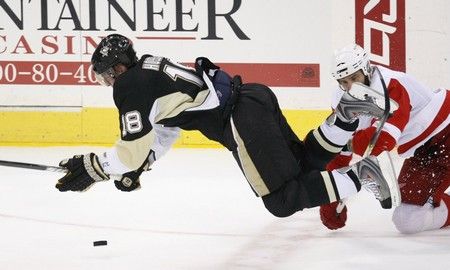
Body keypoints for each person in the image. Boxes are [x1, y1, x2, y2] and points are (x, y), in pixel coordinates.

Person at [55, 34, 393, 218]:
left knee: (281, 200)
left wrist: (96, 167)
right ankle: (345, 118)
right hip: (255, 98)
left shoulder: (129, 86)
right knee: (303, 164)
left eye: (106, 74)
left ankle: (358, 176)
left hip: (240, 121)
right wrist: (144, 164)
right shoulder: (148, 69)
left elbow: (129, 151)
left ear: (117, 69)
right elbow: (164, 130)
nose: (107, 81)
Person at [320, 44, 450, 233]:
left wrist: (352, 154)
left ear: (366, 68)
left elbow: (384, 139)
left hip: (447, 131)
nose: (350, 87)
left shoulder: (390, 85)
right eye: (343, 81)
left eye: (354, 78)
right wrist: (332, 196)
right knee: (407, 219)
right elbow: (342, 148)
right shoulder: (341, 100)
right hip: (425, 152)